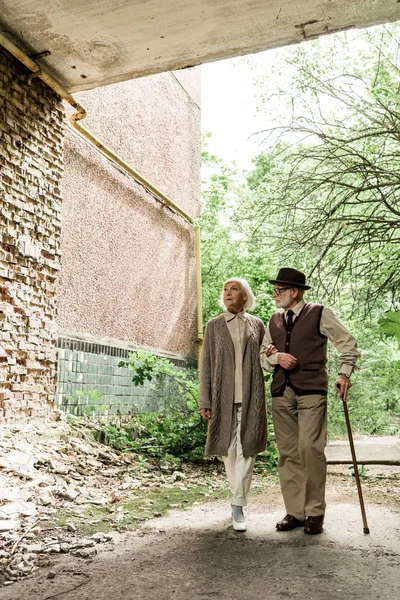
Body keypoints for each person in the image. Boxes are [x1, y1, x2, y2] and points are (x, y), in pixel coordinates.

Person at [260, 268, 360, 535]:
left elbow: (348, 343)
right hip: (281, 391)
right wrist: (276, 358)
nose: (274, 294)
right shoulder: (274, 319)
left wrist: (344, 374)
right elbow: (263, 355)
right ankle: (295, 511)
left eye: (279, 290)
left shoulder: (319, 312)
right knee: (288, 453)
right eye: (274, 290)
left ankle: (315, 512)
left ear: (294, 292)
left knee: (309, 448)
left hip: (312, 391)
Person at [199, 278, 267, 532]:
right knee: (229, 451)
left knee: (247, 449)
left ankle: (238, 505)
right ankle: (237, 498)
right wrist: (205, 399)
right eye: (225, 289)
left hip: (252, 397)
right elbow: (206, 365)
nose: (228, 293)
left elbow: (266, 359)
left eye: (234, 289)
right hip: (223, 397)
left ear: (245, 297)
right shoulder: (214, 325)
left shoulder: (257, 325)